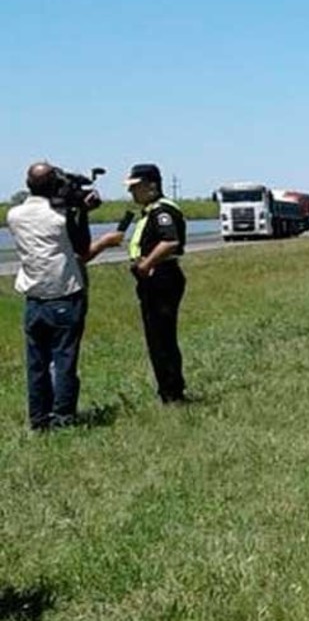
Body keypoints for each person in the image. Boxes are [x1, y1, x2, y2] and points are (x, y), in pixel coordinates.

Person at [7, 162, 123, 430]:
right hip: (65, 295)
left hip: (34, 298)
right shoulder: (61, 217)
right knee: (64, 362)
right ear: (54, 185)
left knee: (36, 365)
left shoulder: (14, 215)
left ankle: (38, 419)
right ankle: (63, 418)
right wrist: (82, 212)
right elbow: (82, 248)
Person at [124, 163, 189, 403]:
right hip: (154, 278)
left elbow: (170, 241)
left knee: (162, 338)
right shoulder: (149, 211)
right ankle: (168, 389)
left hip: (162, 277)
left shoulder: (162, 211)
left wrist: (146, 264)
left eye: (136, 187)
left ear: (151, 186)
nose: (131, 192)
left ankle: (172, 393)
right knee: (156, 337)